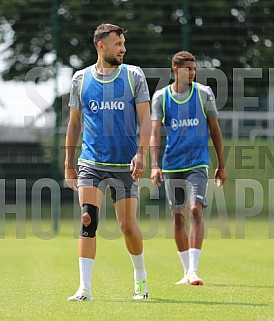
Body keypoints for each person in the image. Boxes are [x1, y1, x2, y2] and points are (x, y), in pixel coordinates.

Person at [65, 23, 151, 301]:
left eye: (124, 43)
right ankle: (84, 289)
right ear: (101, 45)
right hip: (91, 163)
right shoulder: (80, 79)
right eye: (118, 44)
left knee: (128, 226)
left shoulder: (134, 76)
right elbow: (74, 125)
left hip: (125, 165)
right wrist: (69, 164)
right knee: (88, 219)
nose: (123, 48)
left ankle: (141, 280)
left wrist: (141, 153)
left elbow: (145, 119)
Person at [150, 51, 227, 285]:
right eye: (187, 69)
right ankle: (186, 272)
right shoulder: (161, 97)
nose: (192, 73)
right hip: (172, 164)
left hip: (198, 162)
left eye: (194, 69)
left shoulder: (204, 94)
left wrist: (221, 165)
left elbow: (215, 129)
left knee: (195, 209)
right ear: (175, 70)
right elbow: (154, 133)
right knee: (178, 218)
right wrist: (154, 165)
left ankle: (193, 270)